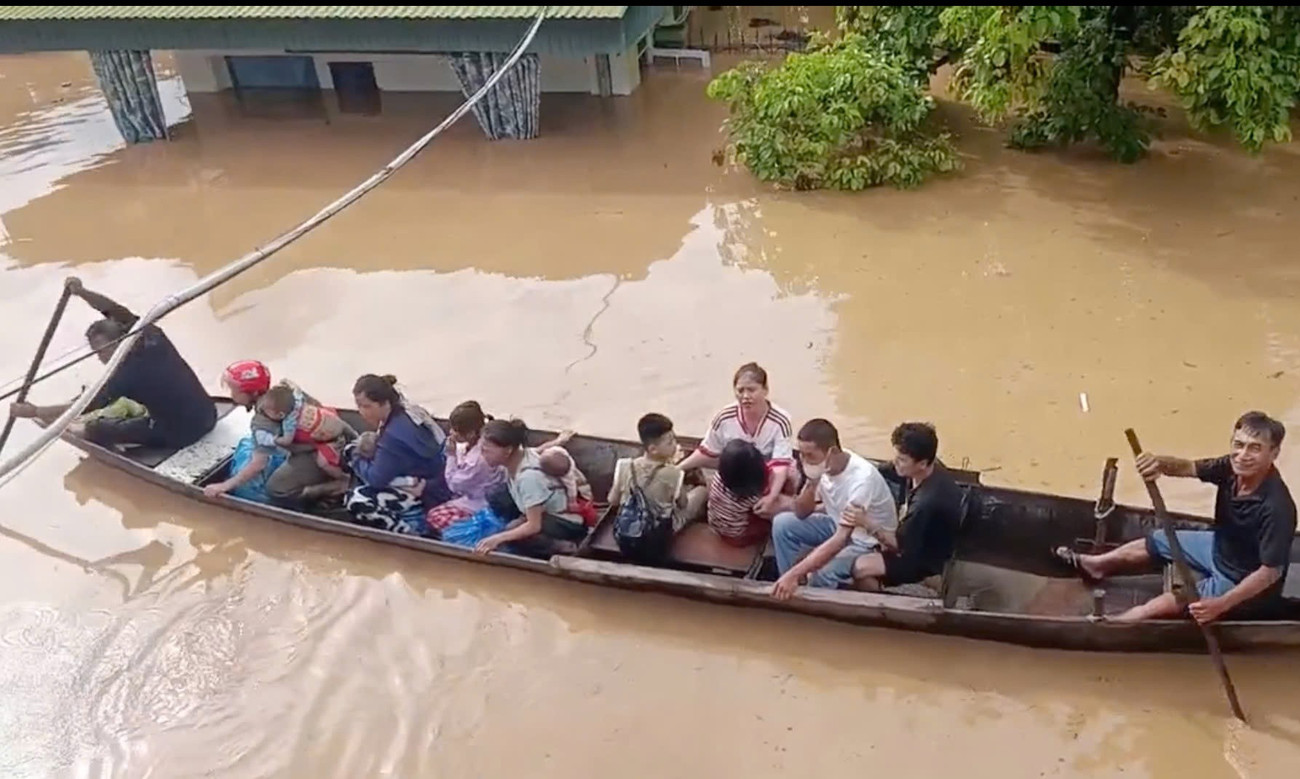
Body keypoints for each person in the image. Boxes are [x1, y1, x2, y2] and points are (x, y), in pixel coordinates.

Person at [1054, 411, 1296, 623]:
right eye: (1238, 445)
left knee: (1176, 600)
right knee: (1158, 539)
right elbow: (1188, 467)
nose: (1242, 455)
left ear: (1273, 453)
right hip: (1219, 547)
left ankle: (1123, 621)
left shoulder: (1277, 507)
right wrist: (1158, 463)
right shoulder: (1230, 468)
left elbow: (1270, 573)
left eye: (1255, 448)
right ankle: (1096, 565)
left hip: (1241, 577)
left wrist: (1221, 605)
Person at [10, 277, 216, 449]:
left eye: (101, 351)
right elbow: (112, 309)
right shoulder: (150, 334)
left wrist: (35, 411)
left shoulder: (123, 376)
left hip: (183, 433)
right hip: (208, 412)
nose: (100, 358)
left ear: (118, 341)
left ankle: (79, 430)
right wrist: (81, 292)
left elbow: (81, 406)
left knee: (98, 427)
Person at [770, 419, 898, 600]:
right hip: (837, 522)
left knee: (822, 572)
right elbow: (801, 512)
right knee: (782, 524)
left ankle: (815, 601)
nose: (805, 461)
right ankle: (786, 587)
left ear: (832, 452)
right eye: (802, 455)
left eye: (810, 455)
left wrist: (796, 573)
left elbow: (840, 539)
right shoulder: (822, 469)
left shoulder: (861, 479)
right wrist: (811, 483)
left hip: (865, 540)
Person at [204, 360, 353, 506]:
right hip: (334, 433)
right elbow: (320, 408)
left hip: (321, 452)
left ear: (253, 392)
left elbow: (258, 464)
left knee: (276, 489)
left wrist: (224, 486)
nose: (232, 395)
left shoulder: (262, 421)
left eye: (235, 391)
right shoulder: (288, 390)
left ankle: (334, 487)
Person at [849, 422, 964, 590]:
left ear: (922, 463)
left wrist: (865, 522)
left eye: (902, 460)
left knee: (860, 567)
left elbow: (898, 545)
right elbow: (884, 469)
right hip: (919, 536)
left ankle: (888, 597)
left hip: (924, 558)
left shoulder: (926, 503)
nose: (896, 462)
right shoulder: (927, 466)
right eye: (897, 456)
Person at [678, 362, 795, 520]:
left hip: (767, 473)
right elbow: (707, 451)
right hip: (737, 473)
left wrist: (771, 496)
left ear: (765, 390)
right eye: (740, 390)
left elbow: (781, 464)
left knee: (791, 476)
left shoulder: (781, 420)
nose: (745, 396)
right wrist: (678, 468)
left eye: (751, 390)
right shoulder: (724, 417)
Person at [344, 374, 453, 535]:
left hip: (427, 492)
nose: (361, 412)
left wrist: (354, 456)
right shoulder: (408, 410)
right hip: (439, 478)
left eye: (366, 406)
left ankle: (411, 529)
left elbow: (376, 479)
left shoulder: (392, 437)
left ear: (384, 403)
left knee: (355, 499)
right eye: (359, 406)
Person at [474, 418, 590, 556]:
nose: (482, 454)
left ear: (508, 450)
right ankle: (521, 520)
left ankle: (565, 547)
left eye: (486, 450)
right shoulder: (523, 455)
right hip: (542, 508)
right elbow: (541, 448)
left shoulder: (528, 479)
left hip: (565, 521)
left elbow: (534, 526)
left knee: (512, 532)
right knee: (496, 496)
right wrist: (559, 440)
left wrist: (498, 538)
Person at [607, 413, 704, 525]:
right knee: (701, 491)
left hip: (629, 525)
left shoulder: (624, 465)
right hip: (659, 529)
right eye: (670, 443)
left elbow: (612, 500)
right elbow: (683, 504)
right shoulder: (674, 473)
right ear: (653, 449)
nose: (675, 444)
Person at [425, 400, 506, 534]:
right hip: (474, 494)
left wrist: (451, 456)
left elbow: (454, 485)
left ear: (471, 433)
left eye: (456, 430)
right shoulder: (475, 446)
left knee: (434, 516)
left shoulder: (478, 460)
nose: (451, 432)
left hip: (480, 503)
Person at [258, 383, 351, 495]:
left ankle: (343, 480)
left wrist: (275, 440)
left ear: (281, 414)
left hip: (328, 441)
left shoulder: (289, 423)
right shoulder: (297, 401)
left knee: (323, 463)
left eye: (268, 412)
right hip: (330, 422)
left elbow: (288, 442)